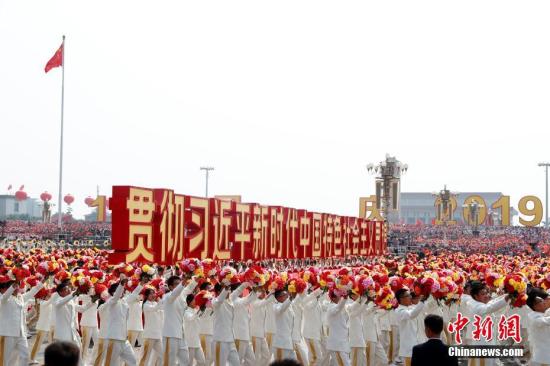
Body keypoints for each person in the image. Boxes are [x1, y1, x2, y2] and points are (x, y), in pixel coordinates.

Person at [0, 278, 44, 366]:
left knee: (25, 356)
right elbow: (5, 297)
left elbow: (32, 292)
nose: (17, 288)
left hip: (21, 332)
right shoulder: (3, 298)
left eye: (17, 286)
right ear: (8, 288)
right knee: (5, 359)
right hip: (8, 333)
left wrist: (42, 282)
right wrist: (12, 287)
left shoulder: (20, 297)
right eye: (14, 286)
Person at [161, 275, 197, 366]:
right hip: (170, 335)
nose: (180, 285)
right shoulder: (167, 297)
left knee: (185, 361)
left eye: (179, 283)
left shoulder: (181, 295)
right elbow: (175, 293)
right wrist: (183, 282)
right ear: (170, 287)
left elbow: (188, 289)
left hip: (181, 334)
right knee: (169, 362)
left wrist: (196, 280)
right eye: (176, 284)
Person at [211, 282, 242, 366]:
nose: (228, 292)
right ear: (218, 292)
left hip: (231, 340)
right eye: (225, 289)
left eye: (229, 290)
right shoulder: (215, 302)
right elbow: (220, 300)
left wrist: (248, 282)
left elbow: (238, 290)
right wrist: (226, 289)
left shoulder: (229, 300)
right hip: (220, 341)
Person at [394, 289, 426, 366]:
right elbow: (411, 315)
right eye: (408, 296)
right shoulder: (399, 311)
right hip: (409, 349)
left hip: (419, 344)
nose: (410, 297)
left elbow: (424, 308)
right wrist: (421, 301)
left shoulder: (412, 307)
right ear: (401, 299)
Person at [325, 290, 351, 366]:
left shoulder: (341, 308)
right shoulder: (331, 308)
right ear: (333, 298)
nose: (340, 297)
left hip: (342, 343)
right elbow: (338, 308)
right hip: (337, 345)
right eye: (339, 296)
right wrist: (345, 297)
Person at [526, 287, 550, 366]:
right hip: (542, 356)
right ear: (535, 306)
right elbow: (546, 321)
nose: (544, 302)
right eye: (540, 301)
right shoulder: (533, 317)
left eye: (543, 300)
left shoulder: (542, 313)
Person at [141, 288, 164, 366]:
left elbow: (162, 308)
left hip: (158, 335)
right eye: (150, 294)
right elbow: (156, 308)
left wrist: (161, 298)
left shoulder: (155, 304)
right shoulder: (145, 305)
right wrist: (159, 299)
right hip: (149, 335)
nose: (153, 295)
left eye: (153, 293)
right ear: (146, 296)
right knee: (145, 358)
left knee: (162, 355)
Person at [272, 290, 297, 361]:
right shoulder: (276, 306)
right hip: (280, 344)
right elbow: (282, 309)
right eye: (285, 295)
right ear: (278, 298)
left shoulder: (289, 306)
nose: (287, 296)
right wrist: (290, 298)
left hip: (289, 343)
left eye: (287, 295)